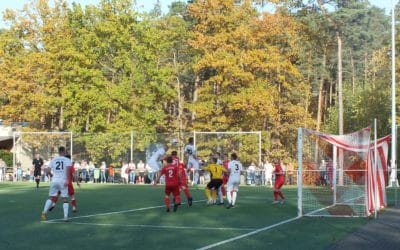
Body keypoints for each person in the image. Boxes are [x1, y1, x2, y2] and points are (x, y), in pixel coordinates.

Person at [41, 146, 72, 222]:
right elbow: (68, 170)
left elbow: (47, 170)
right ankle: (65, 217)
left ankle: (44, 212)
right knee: (65, 199)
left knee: (51, 197)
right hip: (63, 181)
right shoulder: (67, 160)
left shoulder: (53, 160)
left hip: (54, 180)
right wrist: (68, 180)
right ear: (64, 151)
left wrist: (52, 176)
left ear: (58, 152)